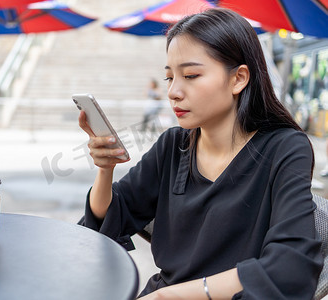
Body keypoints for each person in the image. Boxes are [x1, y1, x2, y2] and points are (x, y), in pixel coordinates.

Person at [77, 8, 323, 300]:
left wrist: (169, 296)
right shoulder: (174, 145)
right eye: (170, 78)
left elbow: (289, 265)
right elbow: (112, 217)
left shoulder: (285, 147)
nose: (174, 92)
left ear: (238, 79)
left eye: (191, 75)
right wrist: (105, 170)